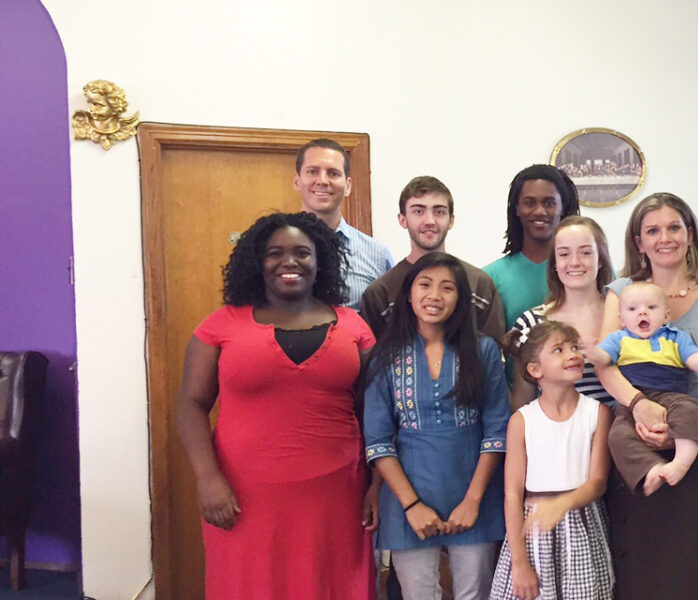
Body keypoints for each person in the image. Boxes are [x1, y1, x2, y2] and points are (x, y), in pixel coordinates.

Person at [176, 212, 377, 599]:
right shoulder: (220, 326)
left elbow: (378, 413)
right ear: (257, 262)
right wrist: (207, 478)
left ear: (320, 261)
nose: (290, 262)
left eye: (303, 252)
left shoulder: (354, 326)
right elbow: (191, 405)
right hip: (243, 496)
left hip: (337, 495)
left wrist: (378, 484)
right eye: (275, 253)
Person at [598, 192, 698, 599]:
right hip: (635, 445)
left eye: (674, 227)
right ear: (638, 242)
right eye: (653, 230)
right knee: (641, 577)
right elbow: (606, 363)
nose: (665, 237)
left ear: (691, 234)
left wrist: (689, 429)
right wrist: (639, 406)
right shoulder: (621, 291)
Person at [364, 252, 509, 600]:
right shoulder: (385, 356)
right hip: (407, 503)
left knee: (476, 595)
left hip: (474, 499)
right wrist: (412, 506)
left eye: (447, 288)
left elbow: (497, 433)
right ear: (408, 295)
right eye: (424, 285)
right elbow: (378, 441)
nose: (434, 296)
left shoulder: (483, 351)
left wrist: (472, 501)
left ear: (460, 298)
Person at [489, 321, 614, 600]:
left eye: (574, 347)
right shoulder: (522, 420)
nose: (572, 354)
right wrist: (520, 563)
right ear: (535, 370)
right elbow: (512, 494)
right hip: (533, 532)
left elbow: (597, 482)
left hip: (582, 526)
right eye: (558, 349)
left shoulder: (598, 413)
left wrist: (561, 505)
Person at [586, 282, 698, 495]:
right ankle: (650, 468)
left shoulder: (676, 337)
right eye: (632, 309)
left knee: (691, 410)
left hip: (673, 397)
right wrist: (593, 353)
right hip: (632, 399)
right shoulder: (618, 339)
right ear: (621, 320)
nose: (642, 312)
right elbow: (604, 359)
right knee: (617, 435)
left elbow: (693, 358)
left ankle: (681, 462)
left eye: (651, 307)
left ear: (666, 316)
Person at [361, 175, 505, 342]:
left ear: (451, 220)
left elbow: (493, 354)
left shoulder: (479, 284)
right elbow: (375, 360)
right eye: (418, 211)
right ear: (402, 219)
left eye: (439, 212)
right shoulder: (381, 293)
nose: (429, 221)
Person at [508, 216, 615, 409]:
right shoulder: (530, 323)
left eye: (585, 253)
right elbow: (523, 401)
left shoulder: (626, 315)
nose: (575, 262)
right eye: (564, 254)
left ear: (601, 259)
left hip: (621, 433)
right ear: (554, 264)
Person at [294, 138, 394, 310]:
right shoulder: (272, 248)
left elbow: (392, 322)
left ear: (347, 186)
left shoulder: (377, 255)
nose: (323, 181)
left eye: (333, 173)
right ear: (297, 182)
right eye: (312, 172)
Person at [484, 165, 581, 330]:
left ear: (562, 207)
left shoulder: (589, 269)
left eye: (549, 203)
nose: (539, 211)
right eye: (529, 203)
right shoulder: (491, 277)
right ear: (516, 208)